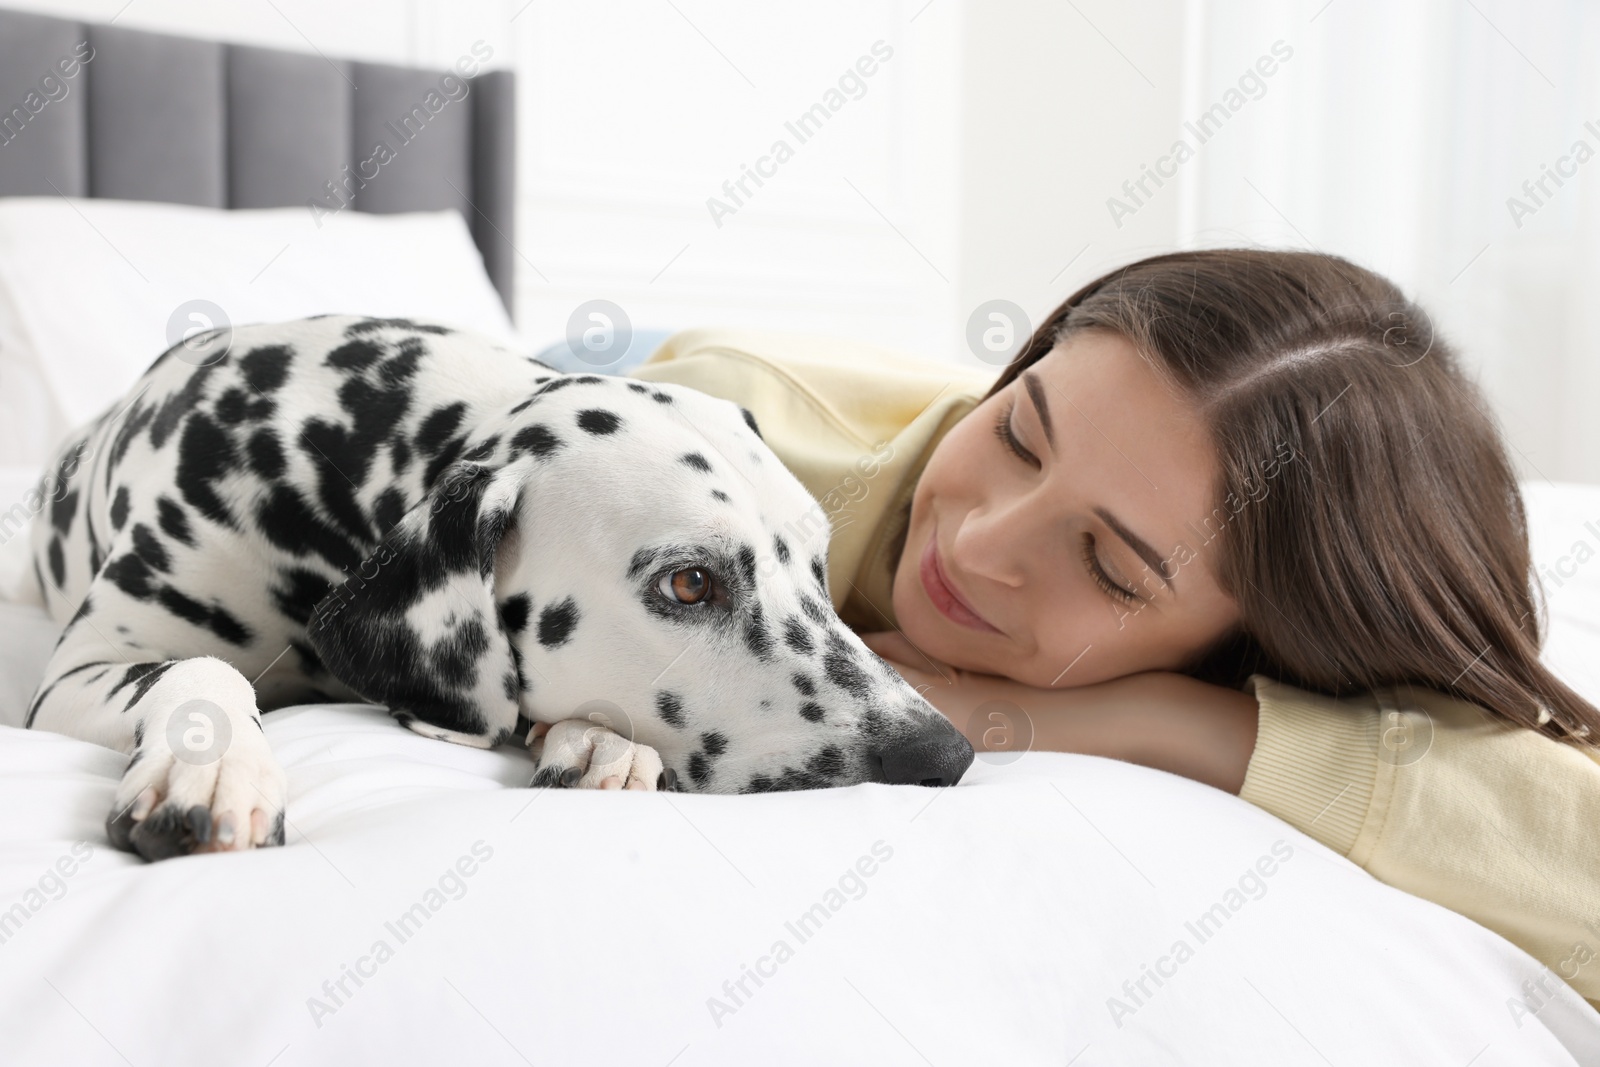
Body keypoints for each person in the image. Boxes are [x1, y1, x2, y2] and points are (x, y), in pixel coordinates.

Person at [628, 248, 1600, 1013]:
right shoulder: (724, 435)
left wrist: (1163, 720)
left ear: (1248, 643)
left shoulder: (1240, 658)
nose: (977, 543)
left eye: (1108, 565)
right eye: (1015, 434)